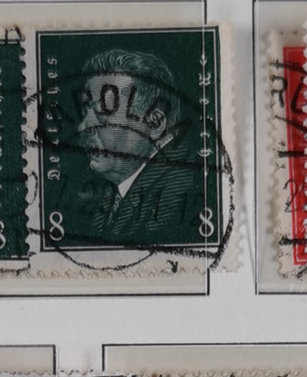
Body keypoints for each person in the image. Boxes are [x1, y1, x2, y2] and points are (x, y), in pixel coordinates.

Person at [59, 46, 209, 249]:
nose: (82, 127)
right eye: (85, 112)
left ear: (155, 123)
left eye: (103, 112)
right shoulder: (113, 194)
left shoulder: (179, 193)